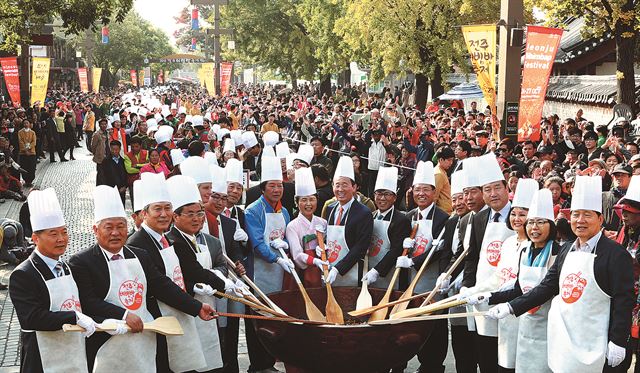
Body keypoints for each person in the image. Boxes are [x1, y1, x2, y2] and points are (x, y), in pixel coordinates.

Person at [488, 175, 634, 373]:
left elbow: (623, 300)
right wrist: (511, 307)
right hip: (566, 340)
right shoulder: (567, 250)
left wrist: (618, 340)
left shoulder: (616, 255)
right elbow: (547, 287)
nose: (580, 220)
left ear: (600, 219)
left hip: (598, 341)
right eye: (575, 214)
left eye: (587, 215)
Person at [70, 185, 216, 373]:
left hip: (143, 334)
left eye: (120, 226)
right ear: (95, 229)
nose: (116, 233)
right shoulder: (82, 261)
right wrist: (123, 315)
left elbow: (162, 285)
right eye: (109, 227)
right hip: (106, 341)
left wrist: (197, 308)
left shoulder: (139, 255)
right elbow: (87, 301)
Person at [127, 174, 218, 372]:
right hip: (158, 320)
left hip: (176, 312)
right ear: (144, 213)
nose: (163, 214)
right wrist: (195, 306)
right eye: (157, 209)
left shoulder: (164, 238)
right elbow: (160, 284)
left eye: (167, 208)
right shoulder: (137, 244)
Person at [469, 188, 559, 373]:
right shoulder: (525, 251)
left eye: (540, 222)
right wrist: (488, 296)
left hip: (546, 325)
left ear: (551, 225)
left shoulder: (558, 252)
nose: (534, 227)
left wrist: (510, 306)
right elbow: (519, 287)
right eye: (531, 223)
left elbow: (546, 288)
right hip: (523, 320)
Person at [10, 188, 97, 373]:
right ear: (35, 238)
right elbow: (32, 318)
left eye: (64, 232)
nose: (61, 239)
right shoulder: (23, 274)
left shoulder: (65, 266)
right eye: (53, 234)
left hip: (72, 351)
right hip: (42, 357)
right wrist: (74, 317)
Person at [463, 178, 539, 372]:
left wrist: (491, 296)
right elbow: (498, 277)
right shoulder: (508, 243)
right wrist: (473, 290)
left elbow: (521, 285)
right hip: (498, 309)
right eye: (514, 214)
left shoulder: (536, 248)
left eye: (523, 214)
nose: (516, 218)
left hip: (521, 313)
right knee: (493, 361)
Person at [166, 175, 234, 372]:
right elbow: (188, 272)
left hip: (208, 305)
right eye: (190, 214)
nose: (197, 219)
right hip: (185, 308)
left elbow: (221, 265)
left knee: (209, 354)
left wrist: (218, 277)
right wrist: (210, 282)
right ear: (175, 217)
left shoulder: (207, 240)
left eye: (200, 213)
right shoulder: (172, 242)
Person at [460, 153, 514, 373]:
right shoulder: (479, 219)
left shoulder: (519, 216)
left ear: (506, 187)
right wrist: (467, 284)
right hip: (482, 294)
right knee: (486, 352)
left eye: (497, 188)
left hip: (510, 293)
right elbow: (472, 256)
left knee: (508, 354)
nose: (493, 194)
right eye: (487, 189)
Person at [394, 160, 449, 373]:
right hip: (407, 284)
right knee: (406, 327)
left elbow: (441, 251)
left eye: (426, 189)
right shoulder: (407, 217)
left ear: (434, 193)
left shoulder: (444, 219)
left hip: (432, 283)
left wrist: (414, 261)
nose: (422, 194)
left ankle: (432, 366)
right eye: (418, 190)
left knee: (433, 328)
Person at [320, 156, 373, 286]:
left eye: (345, 185)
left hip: (352, 271)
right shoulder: (330, 209)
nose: (340, 189)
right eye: (337, 185)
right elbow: (327, 237)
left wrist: (338, 269)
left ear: (354, 187)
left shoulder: (364, 213)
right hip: (329, 268)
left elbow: (361, 247)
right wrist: (321, 247)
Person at [361, 166, 411, 289]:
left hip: (391, 274)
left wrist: (377, 271)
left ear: (394, 197)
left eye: (387, 194)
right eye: (379, 194)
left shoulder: (401, 220)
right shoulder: (370, 217)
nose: (382, 198)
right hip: (369, 270)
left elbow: (396, 250)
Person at [286, 167, 329, 287]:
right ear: (297, 203)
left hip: (324, 272)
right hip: (303, 274)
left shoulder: (323, 222)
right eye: (304, 200)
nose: (308, 204)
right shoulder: (292, 226)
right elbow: (297, 255)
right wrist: (314, 260)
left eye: (312, 199)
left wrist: (325, 249)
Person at [615, 175, 640, 372]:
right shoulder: (624, 230)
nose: (624, 215)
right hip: (625, 295)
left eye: (629, 212)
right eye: (623, 210)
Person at [101, 140, 128, 205]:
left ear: (119, 149)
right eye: (112, 149)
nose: (114, 151)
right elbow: (102, 176)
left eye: (116, 149)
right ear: (110, 148)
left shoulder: (123, 161)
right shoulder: (105, 161)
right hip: (110, 190)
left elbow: (126, 174)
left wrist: (125, 186)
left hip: (121, 190)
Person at [434, 146, 454, 214]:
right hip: (443, 212)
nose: (451, 163)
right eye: (449, 160)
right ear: (441, 160)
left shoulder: (442, 172)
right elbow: (434, 197)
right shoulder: (439, 174)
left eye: (452, 160)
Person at [18, 119, 37, 187]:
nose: (26, 124)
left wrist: (29, 148)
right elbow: (20, 142)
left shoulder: (32, 132)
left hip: (32, 153)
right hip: (23, 153)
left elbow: (34, 142)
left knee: (32, 167)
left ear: (29, 124)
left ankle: (30, 180)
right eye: (24, 123)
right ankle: (26, 180)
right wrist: (25, 150)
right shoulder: (20, 132)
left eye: (27, 123)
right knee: (24, 166)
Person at [91, 118, 108, 185]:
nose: (104, 125)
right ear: (99, 125)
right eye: (102, 124)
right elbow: (93, 146)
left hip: (107, 155)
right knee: (100, 173)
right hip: (100, 157)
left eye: (105, 124)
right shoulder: (97, 134)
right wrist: (97, 153)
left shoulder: (108, 133)